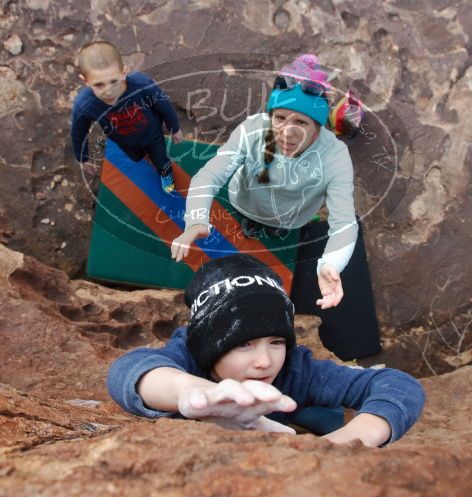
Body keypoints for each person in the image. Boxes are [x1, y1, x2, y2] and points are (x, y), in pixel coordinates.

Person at [107, 255, 425, 447]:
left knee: (324, 416)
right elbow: (128, 370)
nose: (265, 362)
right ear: (206, 345)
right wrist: (189, 390)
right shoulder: (188, 356)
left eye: (277, 342)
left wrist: (357, 436)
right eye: (243, 343)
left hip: (295, 428)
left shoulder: (296, 370)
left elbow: (399, 384)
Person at [170, 54, 357, 310]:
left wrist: (331, 263)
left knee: (278, 228)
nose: (288, 133)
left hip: (292, 217)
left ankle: (274, 228)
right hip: (246, 202)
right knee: (249, 220)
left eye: (301, 122)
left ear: (318, 127)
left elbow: (344, 223)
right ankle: (253, 223)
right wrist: (196, 220)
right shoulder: (252, 130)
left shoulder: (335, 156)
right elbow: (210, 175)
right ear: (271, 115)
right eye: (280, 118)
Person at [70, 40, 183, 194]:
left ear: (124, 72)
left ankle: (166, 173)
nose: (108, 91)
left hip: (152, 134)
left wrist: (174, 127)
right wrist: (82, 158)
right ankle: (145, 157)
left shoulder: (142, 85)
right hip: (124, 141)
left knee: (161, 160)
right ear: (86, 81)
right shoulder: (84, 105)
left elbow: (162, 104)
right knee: (136, 157)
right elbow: (78, 132)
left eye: (113, 81)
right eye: (99, 85)